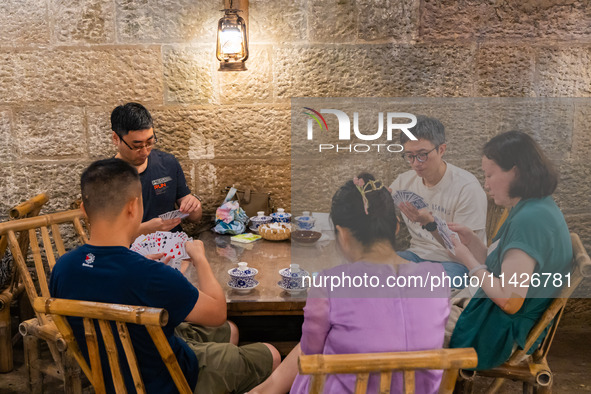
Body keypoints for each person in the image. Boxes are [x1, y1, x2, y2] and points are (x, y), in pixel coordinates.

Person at [50, 158, 280, 393]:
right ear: (133, 206)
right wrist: (199, 258)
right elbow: (217, 312)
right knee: (270, 354)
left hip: (111, 380)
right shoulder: (151, 275)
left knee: (230, 330)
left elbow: (108, 283)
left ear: (83, 209)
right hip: (173, 379)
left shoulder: (62, 268)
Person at [250, 173, 450, 394]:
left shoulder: (330, 283)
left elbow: (311, 355)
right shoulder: (436, 277)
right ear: (395, 227)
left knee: (317, 347)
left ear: (342, 235)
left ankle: (261, 390)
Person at [448, 131, 573, 370]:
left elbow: (509, 300)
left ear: (514, 171)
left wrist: (468, 262)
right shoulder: (533, 205)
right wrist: (471, 241)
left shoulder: (530, 221)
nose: (485, 184)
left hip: (497, 331)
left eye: (489, 175)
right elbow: (503, 267)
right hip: (494, 317)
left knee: (405, 327)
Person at [390, 115, 487, 287]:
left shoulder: (466, 187)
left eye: (422, 155)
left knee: (418, 287)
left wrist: (430, 223)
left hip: (456, 264)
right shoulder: (404, 182)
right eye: (409, 156)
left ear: (441, 150)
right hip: (416, 255)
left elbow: (468, 252)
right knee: (372, 271)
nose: (415, 163)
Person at [111, 102, 202, 234]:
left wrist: (194, 206)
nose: (144, 152)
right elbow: (107, 238)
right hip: (131, 252)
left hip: (173, 248)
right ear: (115, 138)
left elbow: (195, 217)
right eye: (136, 146)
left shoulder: (168, 163)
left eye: (149, 143)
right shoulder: (104, 177)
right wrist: (145, 230)